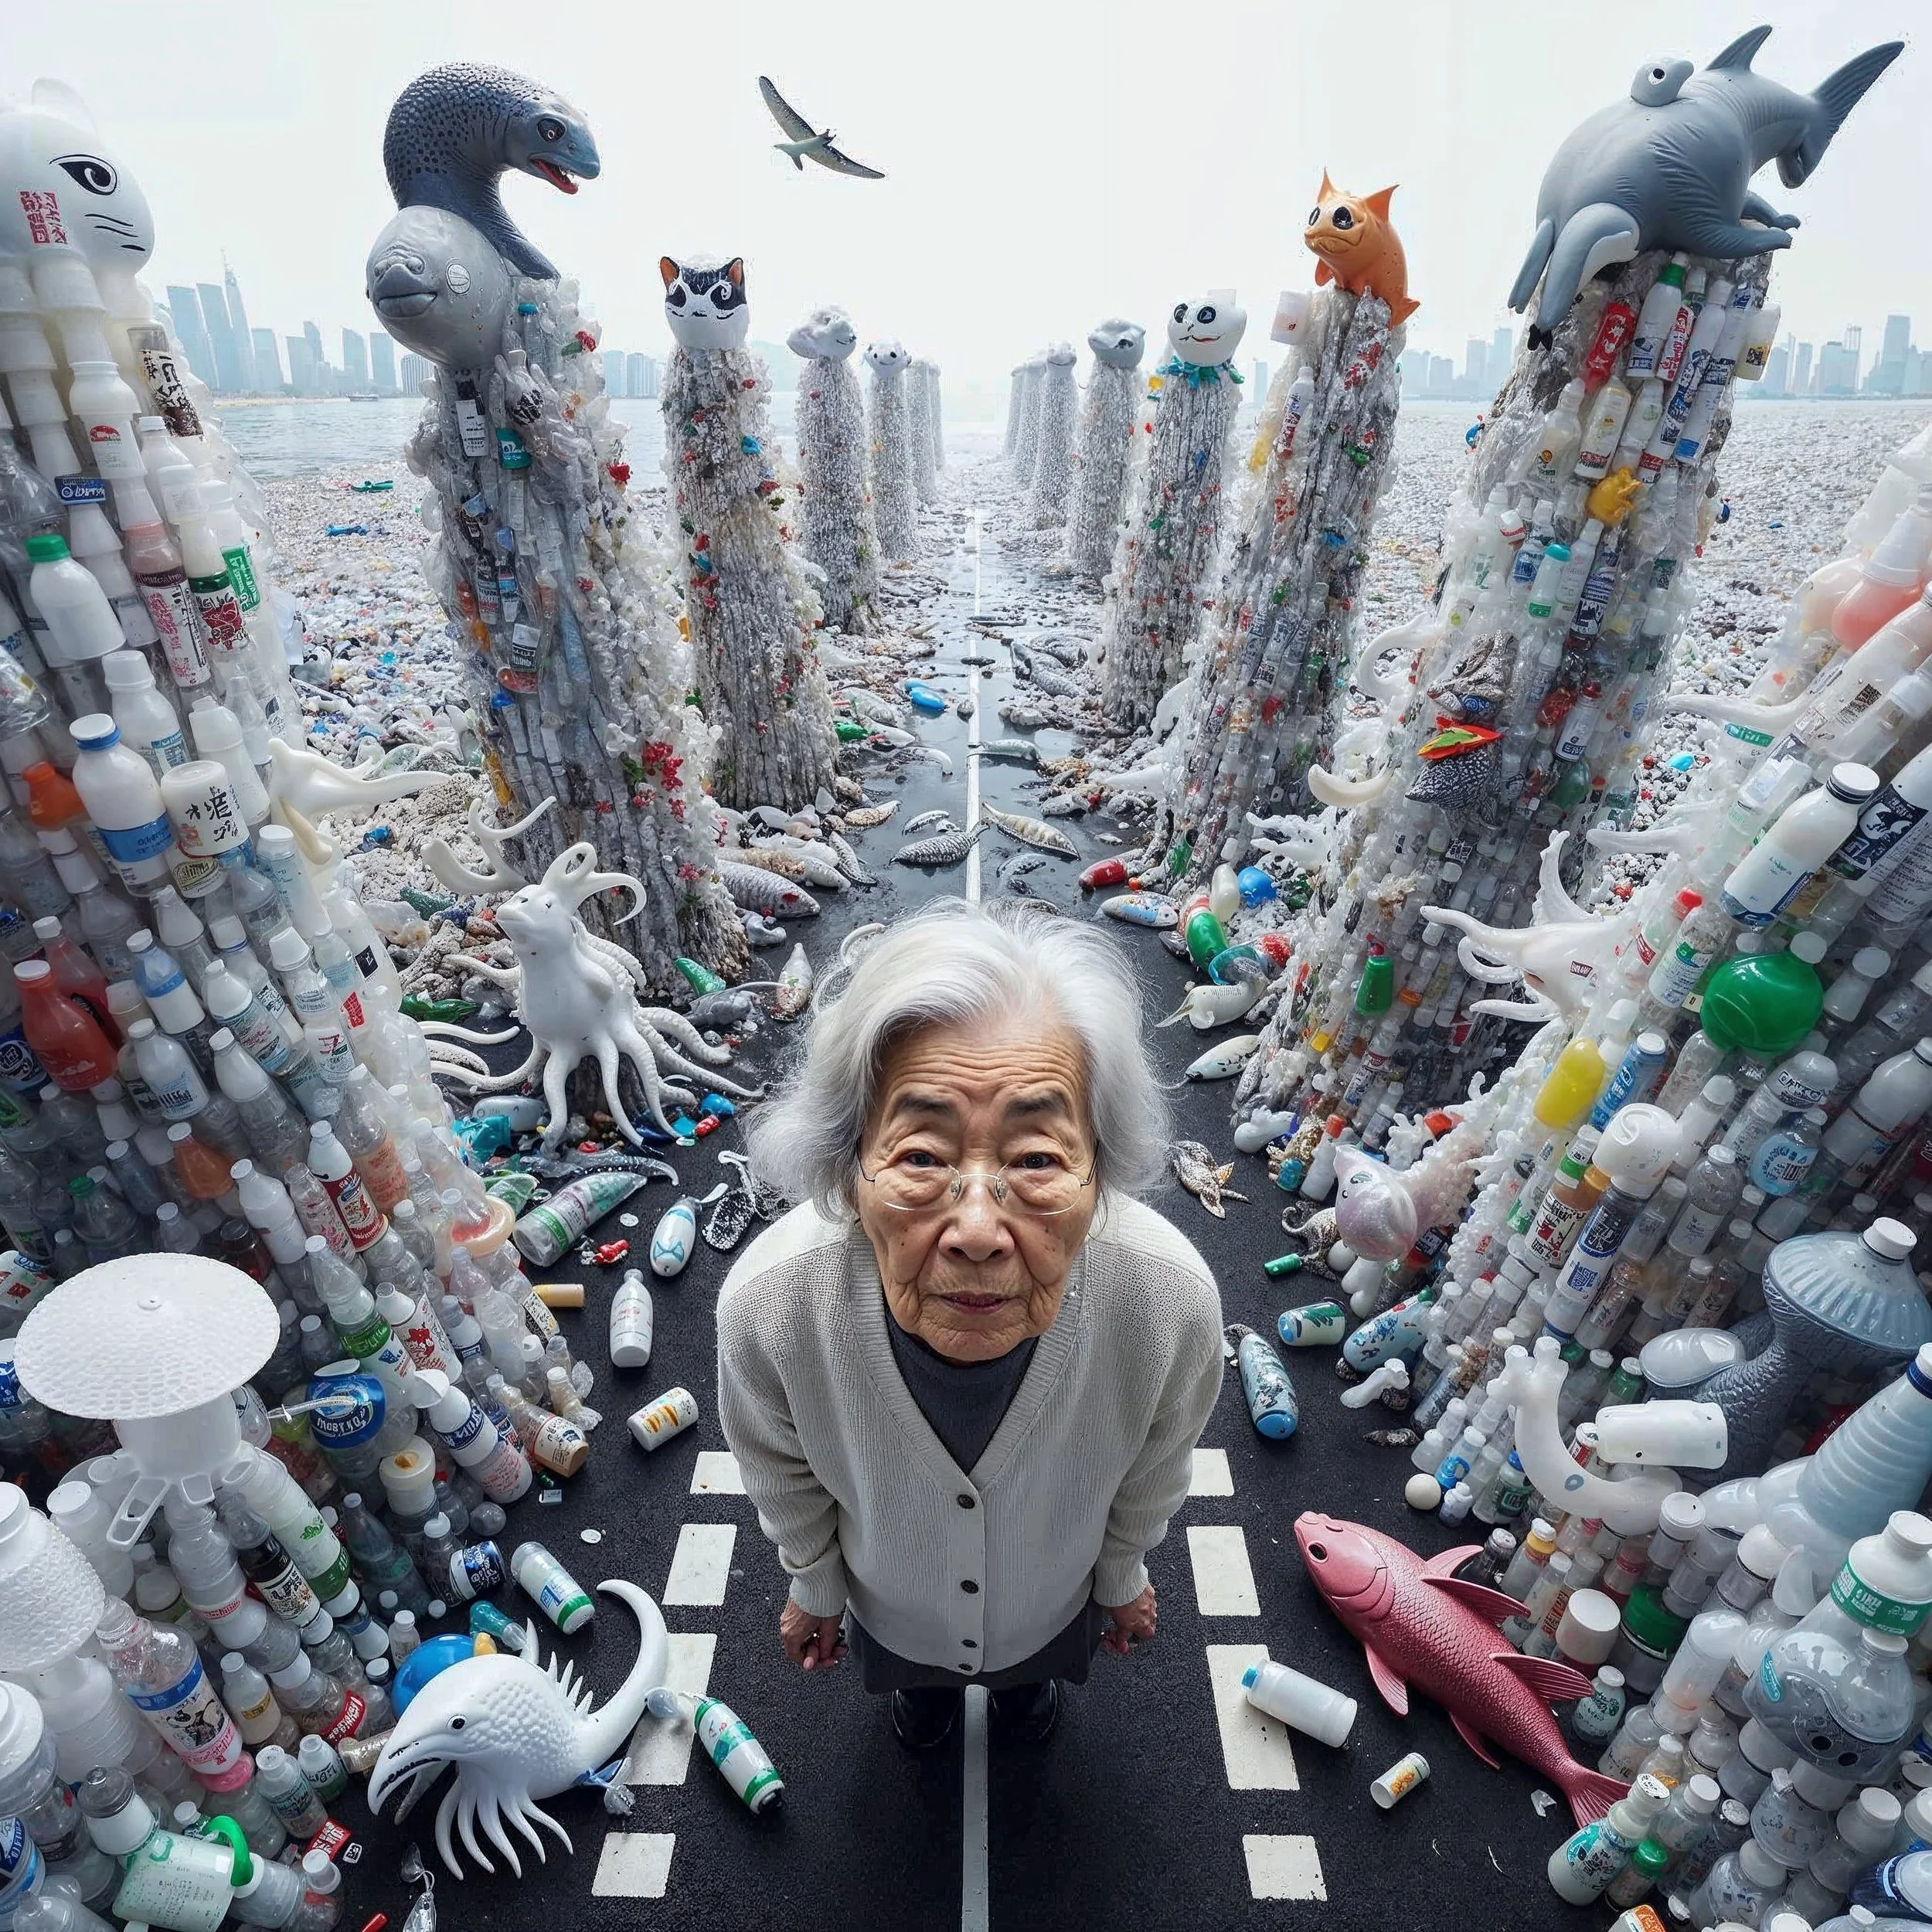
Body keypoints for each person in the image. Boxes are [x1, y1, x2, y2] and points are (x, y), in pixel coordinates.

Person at [718, 901, 1224, 1750]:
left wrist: (1121, 1572)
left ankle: (1026, 1696)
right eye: (921, 1157)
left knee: (1033, 1679)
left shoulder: (1169, 1304)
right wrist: (813, 1585)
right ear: (848, 1172)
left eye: (1035, 1160)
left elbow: (1155, 1466)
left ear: (1099, 1171)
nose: (980, 1231)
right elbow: (780, 1468)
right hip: (896, 1609)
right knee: (918, 1682)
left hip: (1049, 1602)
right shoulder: (770, 1308)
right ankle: (926, 1699)